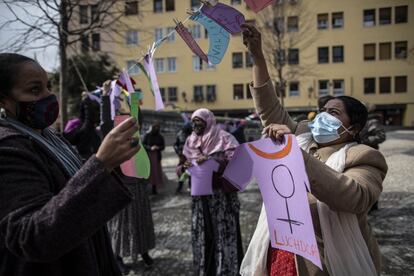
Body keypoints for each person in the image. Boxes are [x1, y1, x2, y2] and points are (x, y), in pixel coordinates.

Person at [241, 25, 388, 276]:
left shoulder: (364, 156)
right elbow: (268, 109)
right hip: (280, 250)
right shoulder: (301, 134)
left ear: (353, 127)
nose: (323, 116)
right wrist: (257, 56)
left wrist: (295, 158)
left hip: (326, 261)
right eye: (322, 110)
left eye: (333, 112)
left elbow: (355, 196)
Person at [0, 53, 141, 276]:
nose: (49, 96)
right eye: (35, 90)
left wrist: (109, 164)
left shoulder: (48, 137)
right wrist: (101, 164)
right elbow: (33, 237)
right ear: (3, 101)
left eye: (48, 86)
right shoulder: (8, 148)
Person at [100, 81, 156, 269]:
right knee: (121, 226)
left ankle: (143, 251)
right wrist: (106, 97)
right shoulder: (111, 135)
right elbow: (105, 121)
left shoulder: (135, 133)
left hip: (138, 187)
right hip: (120, 187)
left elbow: (137, 116)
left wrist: (132, 96)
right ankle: (118, 257)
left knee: (141, 222)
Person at [181, 108, 244, 276]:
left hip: (221, 197)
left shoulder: (225, 138)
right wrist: (184, 167)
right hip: (200, 200)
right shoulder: (191, 141)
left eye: (200, 121)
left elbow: (238, 162)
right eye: (194, 121)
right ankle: (206, 269)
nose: (196, 125)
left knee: (223, 235)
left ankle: (226, 269)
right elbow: (181, 166)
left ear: (209, 121)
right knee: (204, 235)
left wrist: (212, 161)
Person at [64, 91, 101, 160]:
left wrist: (83, 102)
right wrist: (86, 100)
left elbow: (83, 117)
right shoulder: (85, 132)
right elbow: (89, 118)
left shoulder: (78, 135)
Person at [143, 122, 165, 195]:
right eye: (155, 127)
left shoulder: (160, 136)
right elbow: (143, 144)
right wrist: (150, 148)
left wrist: (158, 147)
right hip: (148, 156)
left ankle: (154, 188)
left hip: (156, 157)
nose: (156, 129)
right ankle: (145, 188)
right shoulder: (147, 135)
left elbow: (163, 146)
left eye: (157, 127)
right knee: (148, 172)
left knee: (155, 173)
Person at [174, 122, 193, 193]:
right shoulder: (180, 134)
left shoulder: (193, 135)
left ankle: (190, 186)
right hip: (182, 156)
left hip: (191, 157)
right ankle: (180, 186)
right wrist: (178, 152)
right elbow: (175, 145)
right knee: (181, 171)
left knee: (191, 171)